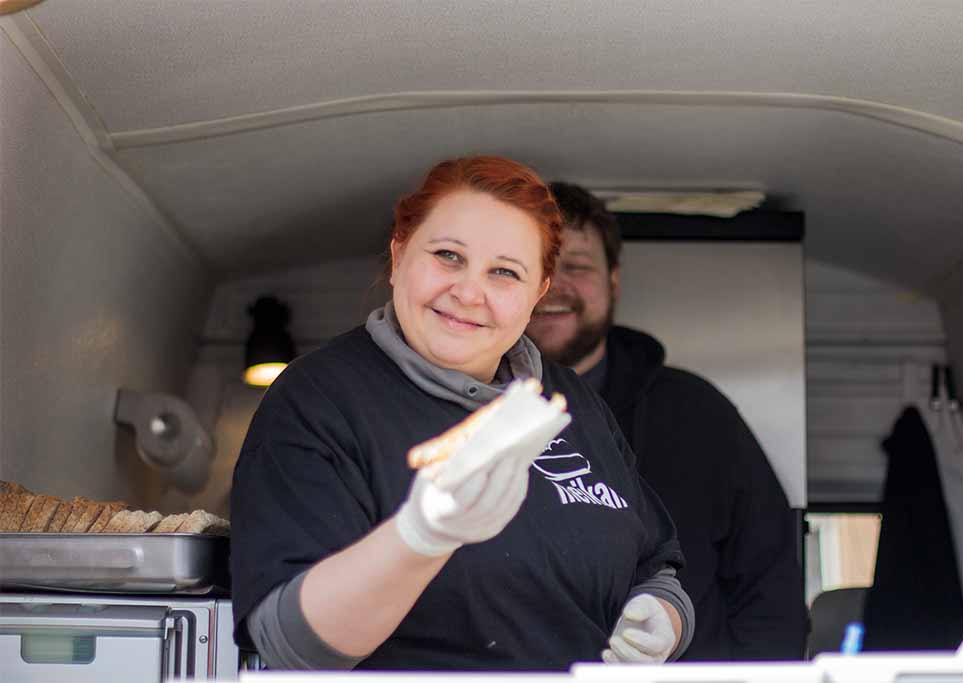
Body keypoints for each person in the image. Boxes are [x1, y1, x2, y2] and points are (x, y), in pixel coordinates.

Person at [230, 157, 695, 671]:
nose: (470, 292)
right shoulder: (321, 395)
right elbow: (291, 644)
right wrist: (418, 539)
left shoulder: (570, 403)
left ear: (537, 292)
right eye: (448, 256)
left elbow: (656, 564)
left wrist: (662, 616)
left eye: (504, 272)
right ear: (399, 252)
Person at [526, 182, 808, 661]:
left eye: (576, 265)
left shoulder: (697, 411)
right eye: (535, 268)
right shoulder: (449, 416)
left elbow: (771, 584)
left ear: (613, 280)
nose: (555, 285)